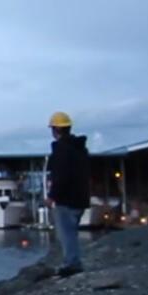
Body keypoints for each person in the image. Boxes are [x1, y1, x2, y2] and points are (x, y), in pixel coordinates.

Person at [46, 111, 91, 277]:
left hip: (66, 200)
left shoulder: (61, 150)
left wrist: (52, 196)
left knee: (66, 234)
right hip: (81, 198)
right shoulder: (81, 149)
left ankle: (72, 263)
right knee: (72, 232)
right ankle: (73, 261)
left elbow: (60, 176)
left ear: (56, 130)